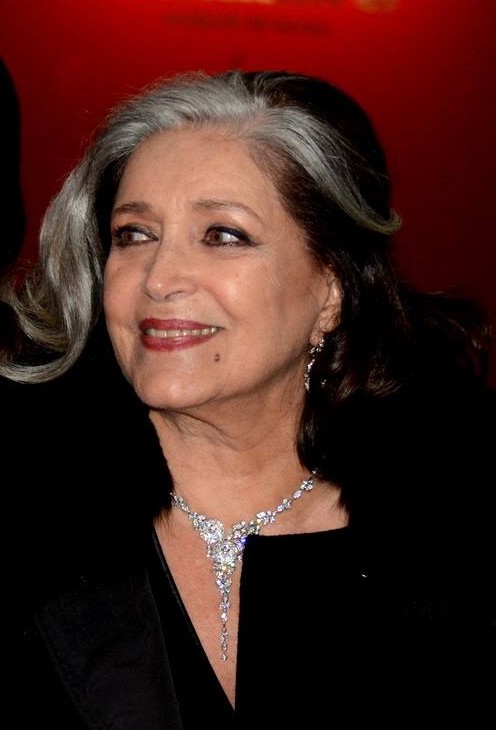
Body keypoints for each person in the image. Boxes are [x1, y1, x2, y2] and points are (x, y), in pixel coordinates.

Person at [1, 69, 495, 729]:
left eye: (223, 235)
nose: (159, 278)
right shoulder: (26, 515)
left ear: (331, 290)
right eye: (134, 234)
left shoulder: (457, 537)